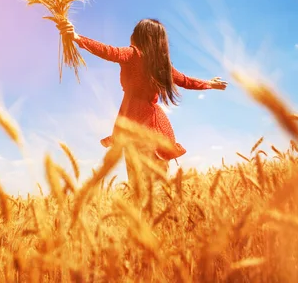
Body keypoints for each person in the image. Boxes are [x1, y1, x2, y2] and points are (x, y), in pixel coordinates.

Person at [57, 18, 227, 188]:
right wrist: (209, 84)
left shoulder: (133, 54)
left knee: (139, 186)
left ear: (140, 36)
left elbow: (109, 51)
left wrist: (77, 37)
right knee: (158, 185)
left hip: (135, 124)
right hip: (155, 125)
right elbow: (185, 80)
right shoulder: (162, 65)